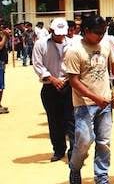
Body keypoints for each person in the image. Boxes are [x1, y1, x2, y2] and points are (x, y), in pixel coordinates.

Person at [65, 16, 114, 184]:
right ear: (86, 31)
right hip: (84, 105)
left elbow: (111, 69)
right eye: (97, 33)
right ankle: (75, 167)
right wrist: (95, 97)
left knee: (104, 142)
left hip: (105, 103)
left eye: (103, 32)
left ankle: (101, 177)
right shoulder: (74, 50)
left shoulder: (106, 45)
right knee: (84, 141)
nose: (101, 36)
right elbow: (73, 81)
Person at [32, 18, 75, 162]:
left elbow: (76, 64)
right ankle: (58, 149)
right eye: (57, 34)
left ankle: (74, 150)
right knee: (54, 120)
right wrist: (51, 79)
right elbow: (38, 65)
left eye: (63, 33)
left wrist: (69, 78)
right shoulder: (41, 44)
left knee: (72, 120)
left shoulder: (72, 44)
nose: (61, 36)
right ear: (51, 31)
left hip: (69, 85)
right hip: (50, 87)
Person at [0, 25, 9, 114]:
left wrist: (6, 35)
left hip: (2, 62)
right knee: (0, 86)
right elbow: (0, 46)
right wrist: (5, 36)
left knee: (1, 86)